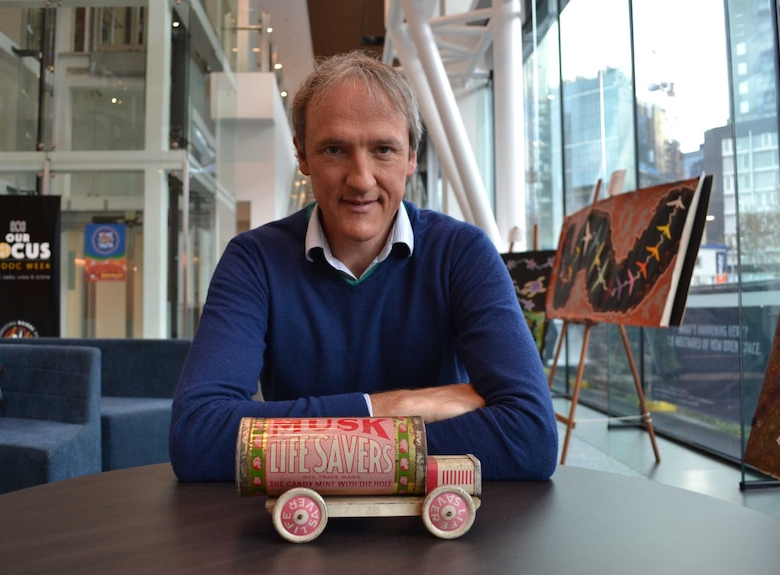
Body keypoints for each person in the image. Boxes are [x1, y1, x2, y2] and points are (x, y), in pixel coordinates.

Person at [170, 51, 558, 482]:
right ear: (302, 154)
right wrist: (394, 409)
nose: (361, 179)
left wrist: (301, 445)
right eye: (335, 150)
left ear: (411, 155)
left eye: (383, 150)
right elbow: (198, 438)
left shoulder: (462, 254)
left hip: (439, 531)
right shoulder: (254, 261)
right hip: (296, 531)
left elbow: (530, 437)